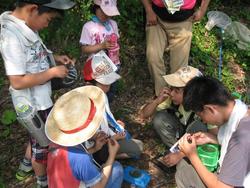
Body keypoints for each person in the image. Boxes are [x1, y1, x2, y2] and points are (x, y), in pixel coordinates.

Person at [0, 0, 75, 187]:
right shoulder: (11, 36)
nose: (47, 24)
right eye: (48, 19)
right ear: (33, 9)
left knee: (37, 138)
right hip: (32, 105)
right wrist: (52, 72)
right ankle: (43, 182)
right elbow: (17, 82)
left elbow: (35, 53)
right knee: (41, 147)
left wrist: (55, 58)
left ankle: (24, 167)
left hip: (42, 98)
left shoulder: (27, 26)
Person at [177, 76, 250, 188]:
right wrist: (212, 138)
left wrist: (192, 155)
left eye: (201, 115)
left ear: (210, 109)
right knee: (184, 166)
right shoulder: (238, 110)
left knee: (184, 173)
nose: (203, 120)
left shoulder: (242, 138)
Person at [45, 85, 123, 188]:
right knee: (117, 168)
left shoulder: (55, 144)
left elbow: (71, 162)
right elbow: (98, 186)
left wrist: (95, 148)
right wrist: (112, 155)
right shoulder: (82, 159)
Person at [140, 66, 217, 169]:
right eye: (171, 88)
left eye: (177, 91)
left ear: (191, 93)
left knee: (198, 126)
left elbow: (216, 138)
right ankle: (174, 153)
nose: (171, 93)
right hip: (183, 133)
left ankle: (186, 158)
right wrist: (157, 101)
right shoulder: (172, 99)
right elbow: (143, 115)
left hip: (199, 142)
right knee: (159, 119)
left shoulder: (206, 108)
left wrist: (181, 154)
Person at [140, 0, 210, 96]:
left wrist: (202, 10)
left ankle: (175, 95)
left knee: (179, 65)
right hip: (156, 17)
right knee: (153, 57)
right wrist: (148, 9)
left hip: (184, 20)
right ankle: (162, 95)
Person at [82, 51, 143, 160]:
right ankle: (108, 159)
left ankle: (113, 155)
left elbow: (106, 118)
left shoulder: (101, 94)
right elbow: (91, 139)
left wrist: (115, 125)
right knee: (138, 147)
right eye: (105, 82)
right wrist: (115, 137)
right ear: (90, 83)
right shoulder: (86, 105)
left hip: (108, 136)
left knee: (127, 135)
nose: (108, 85)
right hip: (96, 148)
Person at [79, 0, 121, 101]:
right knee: (98, 94)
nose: (106, 15)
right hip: (97, 66)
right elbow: (84, 48)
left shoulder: (113, 24)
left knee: (111, 91)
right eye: (103, 11)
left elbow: (116, 43)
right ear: (96, 8)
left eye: (109, 13)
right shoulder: (89, 27)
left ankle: (107, 110)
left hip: (114, 64)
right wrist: (101, 46)